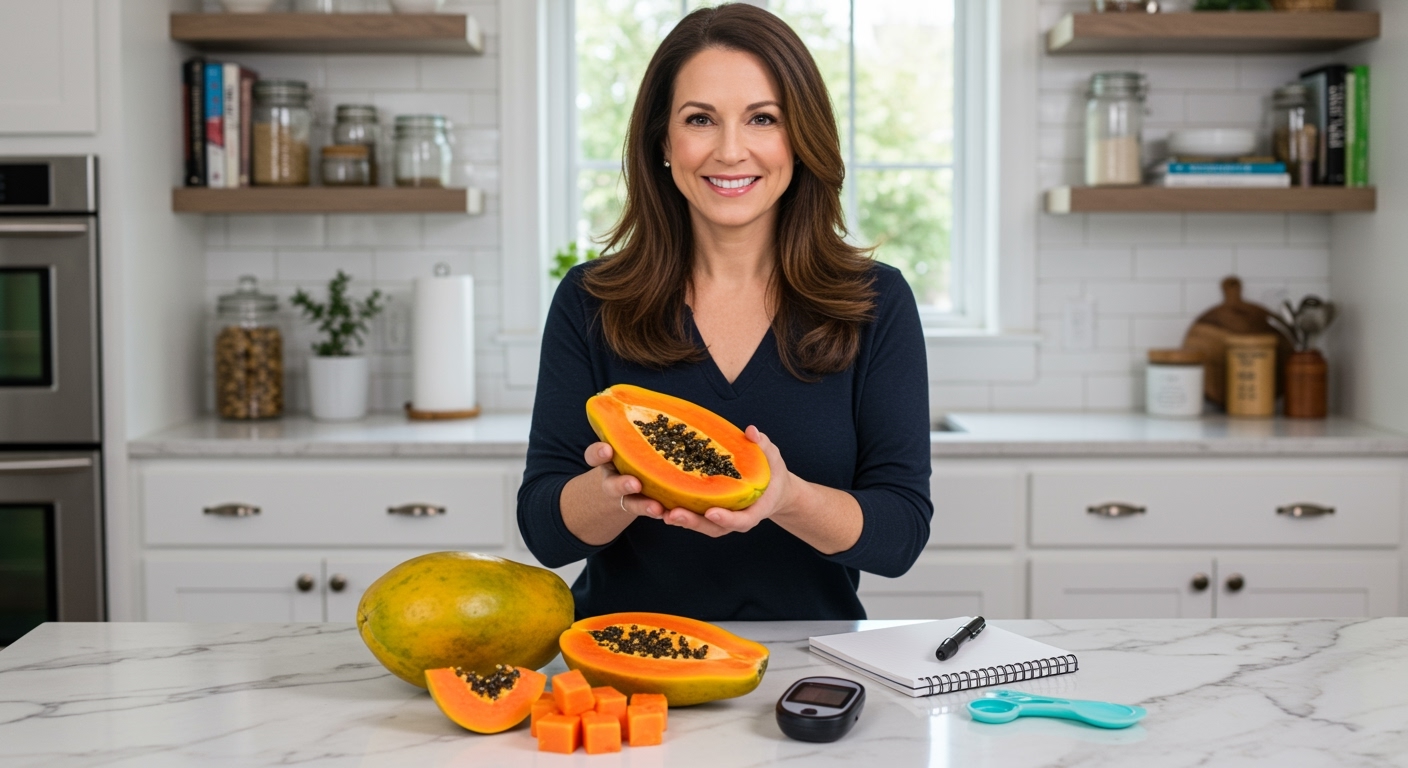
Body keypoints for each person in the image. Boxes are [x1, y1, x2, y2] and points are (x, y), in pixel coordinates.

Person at [517, 3, 931, 621]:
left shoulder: (875, 301)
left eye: (763, 118)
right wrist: (619, 491)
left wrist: (785, 496)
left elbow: (899, 536)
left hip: (808, 665)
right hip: (623, 662)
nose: (731, 150)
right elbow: (544, 532)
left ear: (801, 139)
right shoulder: (591, 298)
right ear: (664, 140)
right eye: (701, 119)